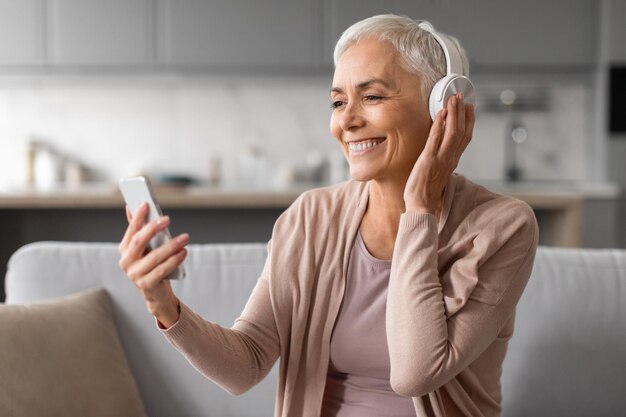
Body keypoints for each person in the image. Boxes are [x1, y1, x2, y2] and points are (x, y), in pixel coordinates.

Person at [118, 14, 538, 417]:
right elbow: (246, 364)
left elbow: (414, 374)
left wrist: (421, 207)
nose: (347, 121)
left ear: (442, 106)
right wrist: (165, 305)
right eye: (338, 102)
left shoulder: (501, 226)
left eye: (371, 96)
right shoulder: (311, 216)